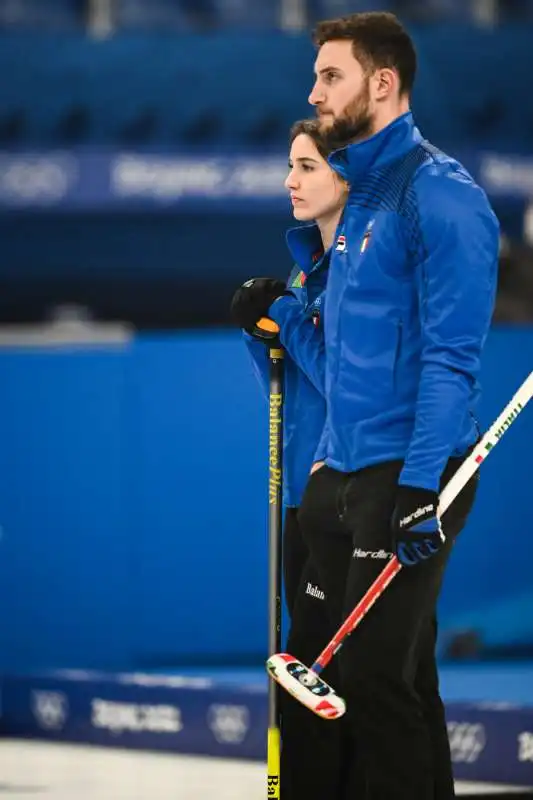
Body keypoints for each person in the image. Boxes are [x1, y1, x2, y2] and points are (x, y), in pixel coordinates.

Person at [232, 12, 500, 799]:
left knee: (378, 678)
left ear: (381, 84)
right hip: (339, 472)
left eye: (329, 76)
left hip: (407, 473)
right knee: (342, 674)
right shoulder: (360, 200)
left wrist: (421, 486)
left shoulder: (440, 198)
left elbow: (451, 359)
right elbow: (343, 361)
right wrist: (280, 317)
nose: (313, 91)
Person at [231, 119, 352, 800]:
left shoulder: (360, 269)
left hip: (345, 489)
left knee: (335, 670)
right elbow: (285, 383)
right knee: (297, 666)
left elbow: (344, 379)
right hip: (301, 494)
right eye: (289, 165)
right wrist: (260, 332)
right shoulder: (305, 265)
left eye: (305, 166)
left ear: (344, 175)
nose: (289, 180)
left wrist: (289, 319)